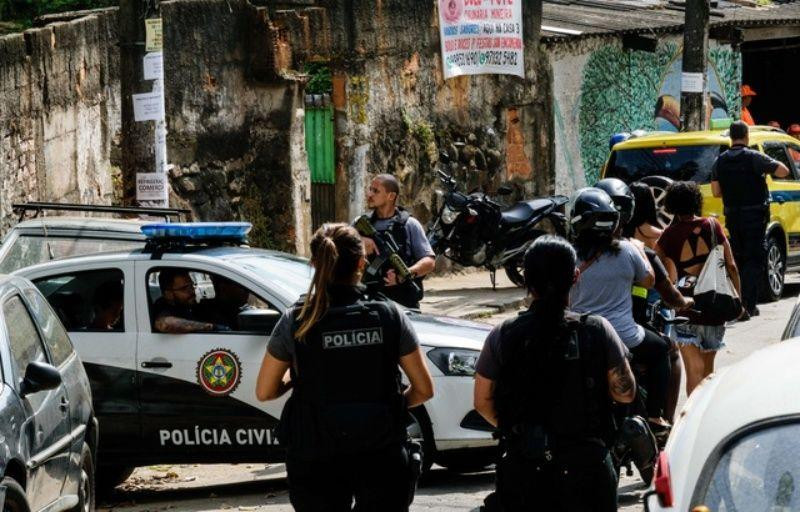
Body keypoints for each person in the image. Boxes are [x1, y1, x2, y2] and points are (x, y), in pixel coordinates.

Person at [255, 223, 434, 512]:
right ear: (362, 263)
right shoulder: (389, 315)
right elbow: (424, 389)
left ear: (315, 265)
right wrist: (390, 409)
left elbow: (265, 391)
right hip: (382, 453)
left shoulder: (297, 320)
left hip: (315, 456)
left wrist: (296, 376)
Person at [474, 235, 636, 511]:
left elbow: (481, 402)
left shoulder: (503, 334)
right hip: (587, 469)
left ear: (526, 281)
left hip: (525, 468)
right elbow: (625, 394)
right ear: (575, 277)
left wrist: (520, 432)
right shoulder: (597, 330)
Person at [567, 188, 672, 429]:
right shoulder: (626, 251)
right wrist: (639, 250)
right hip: (626, 336)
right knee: (662, 350)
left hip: (581, 337)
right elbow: (649, 281)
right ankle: (655, 416)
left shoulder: (569, 254)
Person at [596, 178, 693, 423]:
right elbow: (655, 282)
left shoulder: (571, 253)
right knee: (667, 350)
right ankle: (657, 417)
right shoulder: (634, 250)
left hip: (580, 330)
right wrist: (683, 302)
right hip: (628, 327)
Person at [657, 181, 742, 395]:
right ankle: (707, 419)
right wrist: (738, 300)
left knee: (693, 371)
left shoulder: (667, 236)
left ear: (672, 205)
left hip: (685, 308)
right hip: (715, 305)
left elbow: (661, 273)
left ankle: (692, 420)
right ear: (696, 201)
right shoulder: (712, 226)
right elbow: (731, 265)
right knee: (708, 371)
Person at [711, 121, 790, 317]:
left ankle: (738, 302)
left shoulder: (719, 161)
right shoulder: (754, 157)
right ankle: (748, 304)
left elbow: (715, 192)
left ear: (731, 137)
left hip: (733, 218)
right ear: (746, 136)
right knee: (754, 261)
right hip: (754, 218)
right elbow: (784, 171)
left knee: (737, 259)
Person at [362, 174, 436, 309]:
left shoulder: (409, 224)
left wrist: (404, 274)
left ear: (391, 196)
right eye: (370, 189)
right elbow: (335, 243)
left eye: (376, 191)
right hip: (370, 303)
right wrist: (359, 241)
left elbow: (429, 262)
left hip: (404, 304)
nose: (370, 194)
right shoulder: (362, 224)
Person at [153, 269, 222, 333]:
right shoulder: (163, 307)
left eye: (192, 286)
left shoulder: (187, 305)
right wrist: (209, 327)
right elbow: (165, 324)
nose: (192, 291)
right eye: (185, 288)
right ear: (168, 294)